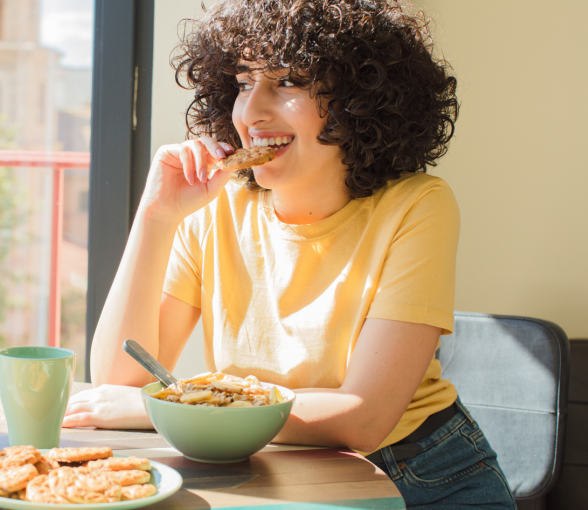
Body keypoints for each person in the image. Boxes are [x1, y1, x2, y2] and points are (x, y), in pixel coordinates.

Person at [63, 0, 515, 507]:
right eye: (242, 81)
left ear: (361, 99)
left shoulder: (419, 206)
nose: (250, 111)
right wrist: (156, 217)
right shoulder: (217, 206)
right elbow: (118, 382)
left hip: (421, 472)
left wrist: (171, 407)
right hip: (276, 463)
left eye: (289, 80)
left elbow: (363, 417)